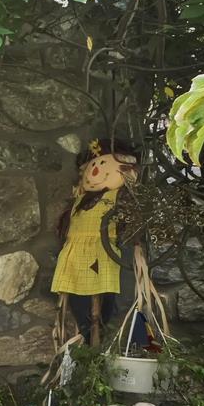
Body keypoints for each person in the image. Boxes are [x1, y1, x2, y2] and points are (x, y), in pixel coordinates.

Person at [52, 140, 136, 344]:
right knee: (78, 302)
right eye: (94, 166)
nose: (97, 170)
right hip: (74, 254)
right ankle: (88, 338)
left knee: (105, 300)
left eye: (103, 164)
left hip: (102, 252)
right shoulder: (80, 200)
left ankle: (99, 338)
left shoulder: (119, 197)